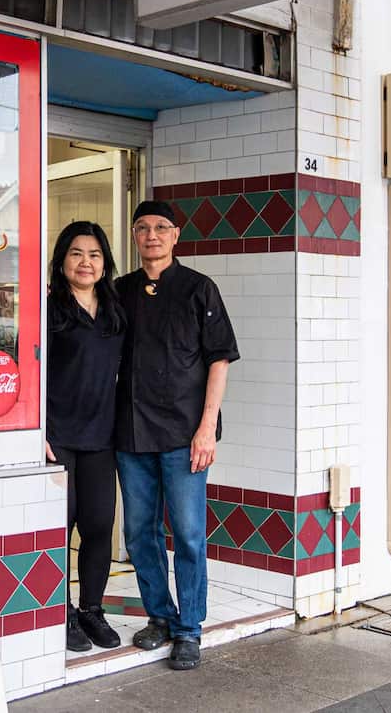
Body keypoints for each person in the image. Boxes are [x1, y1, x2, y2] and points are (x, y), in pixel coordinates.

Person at [115, 200, 239, 671]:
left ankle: (189, 629)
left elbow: (219, 360)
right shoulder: (120, 291)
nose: (152, 235)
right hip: (131, 433)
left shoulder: (198, 288)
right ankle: (160, 617)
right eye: (142, 227)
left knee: (187, 534)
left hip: (186, 435)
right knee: (138, 533)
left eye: (160, 227)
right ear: (134, 235)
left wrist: (207, 428)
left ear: (175, 235)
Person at [46, 221, 126, 652]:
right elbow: (29, 372)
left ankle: (91, 609)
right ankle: (60, 612)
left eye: (94, 254)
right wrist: (36, 430)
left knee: (98, 525)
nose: (85, 262)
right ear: (62, 261)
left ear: (104, 263)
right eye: (76, 253)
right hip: (57, 436)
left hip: (101, 435)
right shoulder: (49, 309)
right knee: (61, 525)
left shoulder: (114, 311)